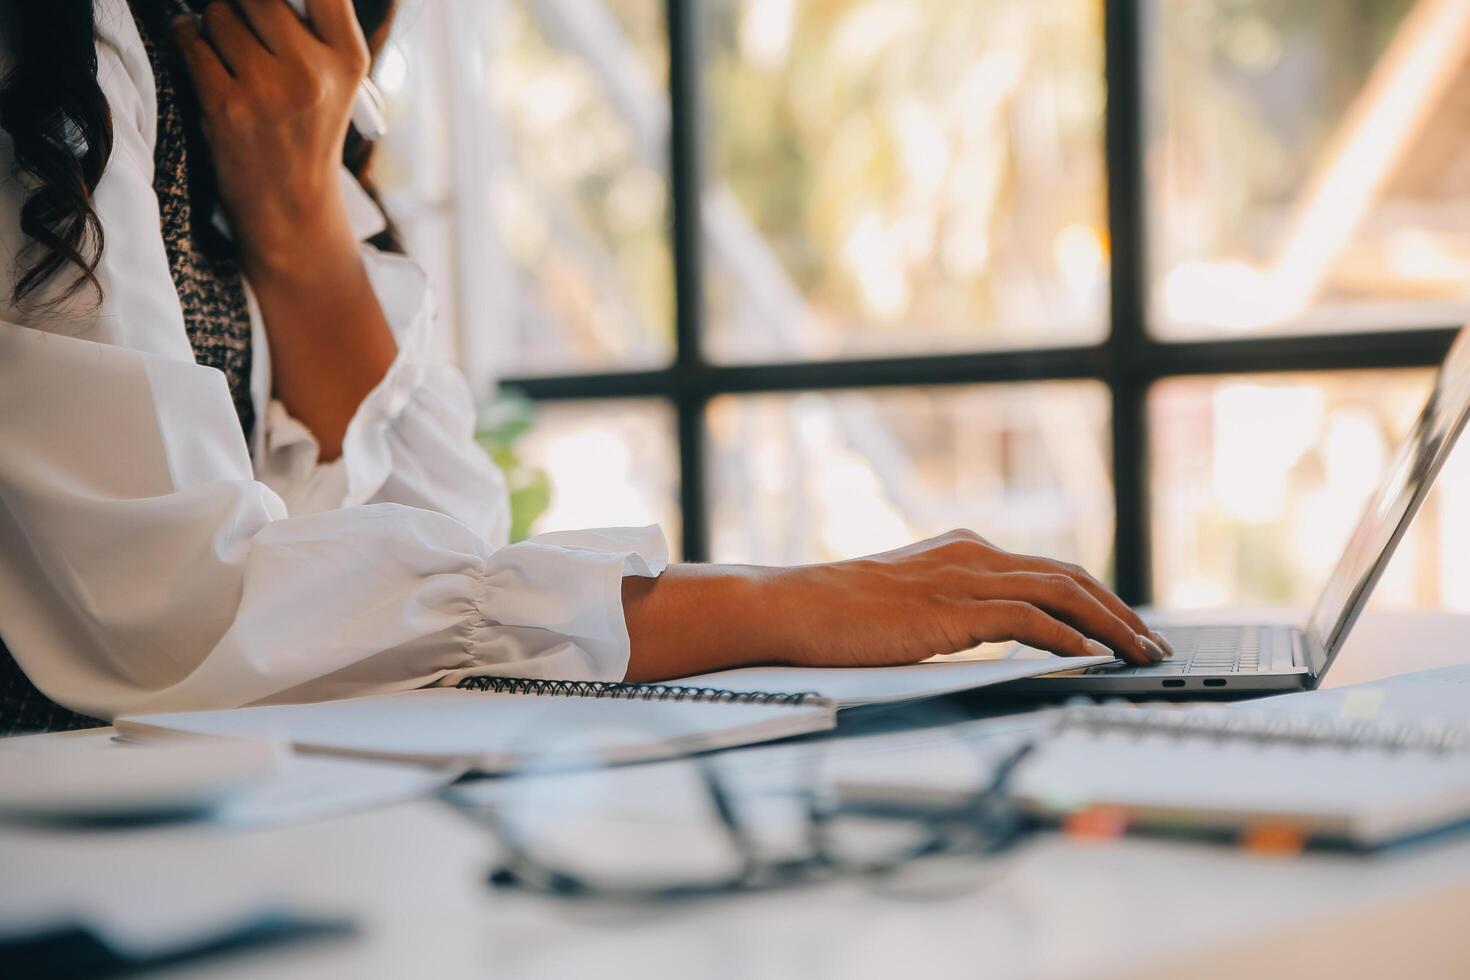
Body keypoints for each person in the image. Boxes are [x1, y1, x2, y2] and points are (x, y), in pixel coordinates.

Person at [0, 0, 1170, 735]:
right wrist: (782, 599)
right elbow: (179, 612)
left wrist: (300, 215)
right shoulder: (57, 52)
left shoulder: (276, 73)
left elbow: (438, 529)